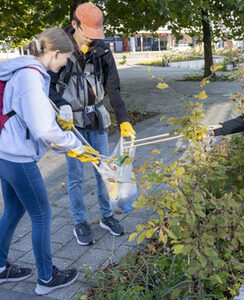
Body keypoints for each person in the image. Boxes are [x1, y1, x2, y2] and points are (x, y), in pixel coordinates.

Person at [0, 28, 98, 295]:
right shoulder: (31, 78)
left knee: (14, 210)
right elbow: (44, 130)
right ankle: (46, 277)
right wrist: (77, 147)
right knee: (42, 214)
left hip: (6, 153)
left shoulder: (21, 70)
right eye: (65, 58)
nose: (65, 63)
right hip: (18, 157)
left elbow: (31, 116)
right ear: (55, 53)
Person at [48, 2, 136, 246]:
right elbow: (45, 84)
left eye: (97, 35)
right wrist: (61, 107)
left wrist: (124, 120)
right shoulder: (59, 48)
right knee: (75, 175)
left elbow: (113, 88)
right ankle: (80, 221)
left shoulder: (102, 51)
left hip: (96, 118)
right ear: (74, 24)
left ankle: (107, 217)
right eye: (88, 34)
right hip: (72, 124)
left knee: (104, 171)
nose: (92, 40)